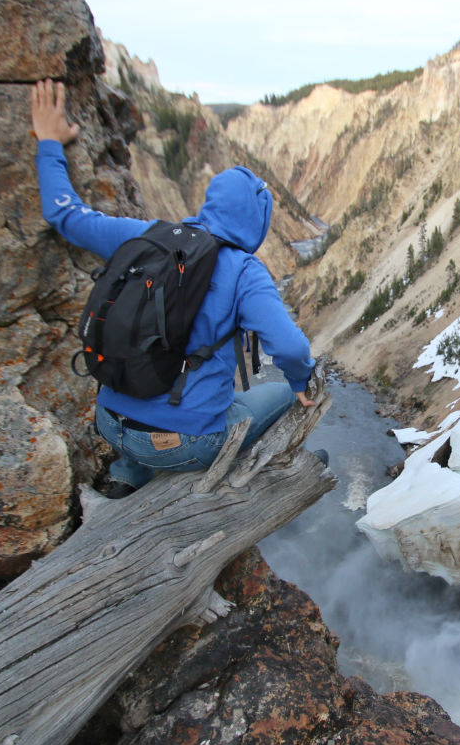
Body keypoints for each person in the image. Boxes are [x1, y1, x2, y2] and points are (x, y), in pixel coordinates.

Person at [30, 79, 316, 497]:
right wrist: (299, 380)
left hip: (109, 421)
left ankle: (128, 474)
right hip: (185, 445)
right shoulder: (244, 272)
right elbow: (290, 349)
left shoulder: (148, 237)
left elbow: (66, 216)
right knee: (281, 394)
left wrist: (49, 142)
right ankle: (278, 482)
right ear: (258, 223)